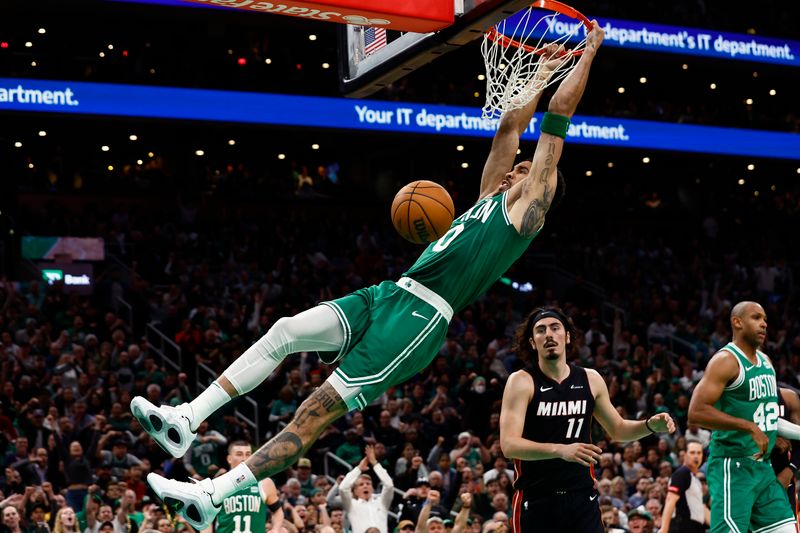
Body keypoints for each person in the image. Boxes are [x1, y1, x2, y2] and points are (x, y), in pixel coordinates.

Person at [133, 21, 606, 530]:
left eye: (528, 168)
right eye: (517, 167)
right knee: (288, 329)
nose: (517, 167)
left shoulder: (526, 211)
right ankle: (186, 419)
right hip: (389, 293)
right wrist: (535, 75)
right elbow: (510, 129)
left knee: (314, 410)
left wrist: (587, 54)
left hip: (419, 321)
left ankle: (213, 493)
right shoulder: (489, 198)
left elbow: (557, 118)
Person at [499, 307, 675, 532]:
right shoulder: (521, 382)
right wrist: (560, 450)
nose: (549, 335)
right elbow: (509, 445)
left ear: (567, 336)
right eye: (541, 331)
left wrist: (649, 425)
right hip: (536, 500)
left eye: (555, 328)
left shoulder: (590, 379)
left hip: (582, 500)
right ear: (533, 342)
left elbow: (619, 430)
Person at [688, 301, 800, 533]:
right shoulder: (726, 361)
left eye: (765, 319)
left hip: (764, 469)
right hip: (733, 466)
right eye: (756, 318)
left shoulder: (766, 363)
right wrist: (748, 427)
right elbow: (696, 412)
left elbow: (767, 419)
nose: (763, 324)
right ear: (737, 322)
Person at [198, 440, 283, 533]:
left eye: (248, 454)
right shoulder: (216, 484)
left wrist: (276, 529)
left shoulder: (265, 483)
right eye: (239, 454)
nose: (244, 458)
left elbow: (277, 511)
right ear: (229, 459)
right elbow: (206, 520)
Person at [338, 445, 394, 533]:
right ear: (355, 491)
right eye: (361, 484)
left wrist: (375, 463)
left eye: (368, 484)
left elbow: (389, 485)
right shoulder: (351, 505)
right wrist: (359, 468)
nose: (365, 486)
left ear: (372, 488)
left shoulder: (381, 502)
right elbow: (342, 488)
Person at [660, 440, 708, 533]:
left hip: (696, 527)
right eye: (692, 452)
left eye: (699, 453)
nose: (696, 456)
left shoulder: (695, 479)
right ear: (685, 455)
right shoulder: (682, 473)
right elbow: (670, 499)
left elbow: (702, 509)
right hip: (682, 526)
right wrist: (664, 529)